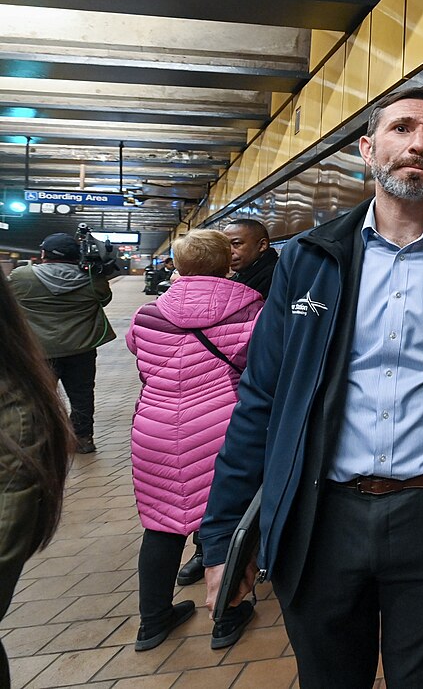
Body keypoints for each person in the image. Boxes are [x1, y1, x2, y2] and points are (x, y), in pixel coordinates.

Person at [201, 87, 423, 689]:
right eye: (402, 128)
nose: (418, 144)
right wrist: (223, 534)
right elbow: (261, 398)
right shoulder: (308, 259)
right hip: (323, 516)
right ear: (366, 149)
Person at [126, 229, 264, 652]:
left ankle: (152, 621)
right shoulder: (250, 309)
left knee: (160, 524)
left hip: (155, 429)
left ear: (178, 265)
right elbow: (260, 366)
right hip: (222, 426)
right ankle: (226, 615)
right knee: (226, 519)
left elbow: (139, 355)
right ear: (227, 262)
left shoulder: (148, 314)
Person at [173, 218, 277, 588]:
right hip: (211, 409)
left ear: (262, 245)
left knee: (223, 483)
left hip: (232, 408)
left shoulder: (270, 288)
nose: (233, 253)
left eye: (238, 244)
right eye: (228, 246)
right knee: (213, 486)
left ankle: (227, 562)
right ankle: (213, 553)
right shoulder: (241, 293)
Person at [0, 274, 74, 686]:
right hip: (75, 349)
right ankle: (87, 429)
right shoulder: (19, 412)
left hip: (44, 351)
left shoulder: (15, 418)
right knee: (82, 396)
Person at [9, 232, 116, 453]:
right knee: (82, 395)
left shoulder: (22, 276)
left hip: (38, 351)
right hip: (81, 350)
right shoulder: (92, 280)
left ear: (43, 253)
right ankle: (83, 438)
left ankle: (40, 441)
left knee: (39, 395)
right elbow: (104, 299)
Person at [224, 218, 278, 299]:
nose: (229, 251)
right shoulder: (243, 274)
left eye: (236, 243)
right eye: (226, 245)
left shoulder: (276, 277)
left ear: (262, 245)